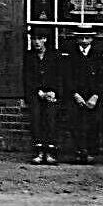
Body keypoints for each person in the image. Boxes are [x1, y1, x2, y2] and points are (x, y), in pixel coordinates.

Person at [64, 25, 103, 164]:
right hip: (76, 96)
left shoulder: (98, 55)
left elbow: (102, 78)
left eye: (87, 38)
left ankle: (90, 151)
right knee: (76, 122)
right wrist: (75, 95)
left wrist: (95, 95)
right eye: (81, 38)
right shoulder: (71, 55)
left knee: (93, 123)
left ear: (92, 39)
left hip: (93, 97)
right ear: (76, 39)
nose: (84, 41)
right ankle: (79, 150)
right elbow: (67, 77)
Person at [23, 26, 63, 164]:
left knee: (51, 118)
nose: (36, 42)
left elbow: (59, 76)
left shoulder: (54, 55)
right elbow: (28, 77)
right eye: (33, 39)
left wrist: (53, 91)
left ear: (45, 39)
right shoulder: (29, 56)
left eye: (39, 39)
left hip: (52, 94)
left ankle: (51, 152)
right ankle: (39, 151)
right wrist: (38, 91)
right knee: (36, 117)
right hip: (36, 95)